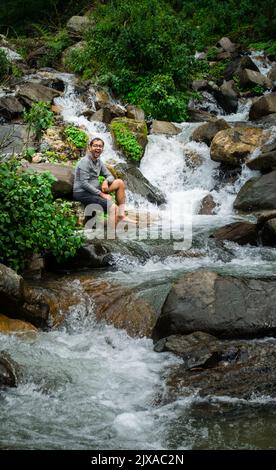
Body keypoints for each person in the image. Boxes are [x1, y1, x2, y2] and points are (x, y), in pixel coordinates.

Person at [73, 137, 128, 226]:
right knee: (113, 208)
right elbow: (84, 183)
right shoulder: (85, 162)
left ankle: (121, 214)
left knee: (119, 182)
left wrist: (106, 181)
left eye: (100, 146)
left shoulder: (99, 162)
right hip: (83, 193)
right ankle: (111, 236)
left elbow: (110, 176)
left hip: (95, 190)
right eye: (95, 146)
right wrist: (102, 194)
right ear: (89, 148)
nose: (98, 148)